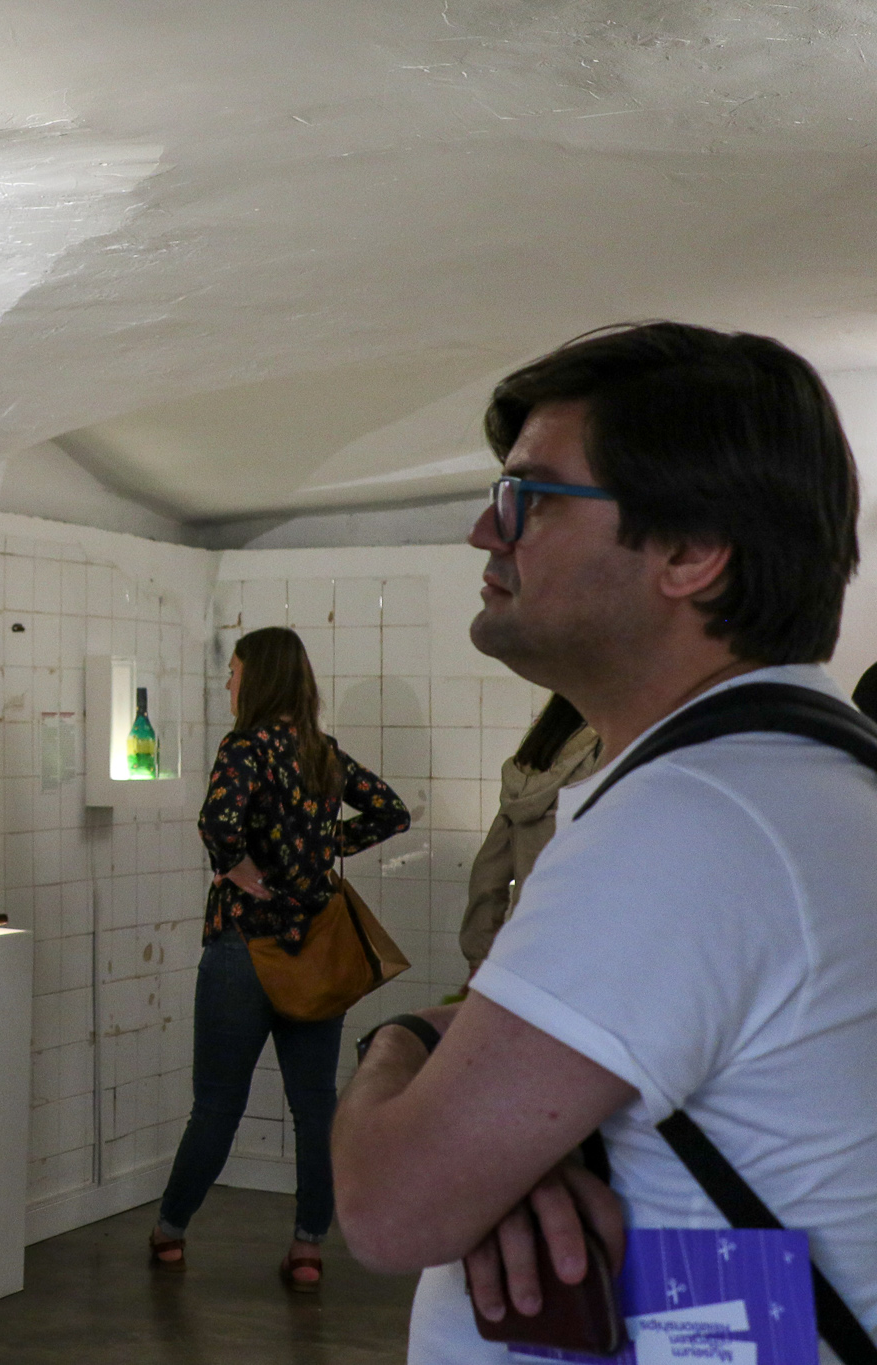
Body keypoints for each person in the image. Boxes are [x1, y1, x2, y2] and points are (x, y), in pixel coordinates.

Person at [328, 322, 877, 1363]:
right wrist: (521, 1140)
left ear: (689, 552)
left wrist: (398, 1040)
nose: (484, 534)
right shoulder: (802, 772)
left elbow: (390, 1208)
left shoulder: (696, 819)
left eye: (527, 498)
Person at [150, 626, 409, 1289]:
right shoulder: (323, 753)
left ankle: (171, 1233)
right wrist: (322, 849)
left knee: (216, 1106)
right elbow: (392, 812)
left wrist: (240, 868)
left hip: (243, 948)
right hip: (315, 951)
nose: (228, 682)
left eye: (234, 671)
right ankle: (307, 1249)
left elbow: (217, 822)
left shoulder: (244, 748)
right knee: (315, 1106)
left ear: (257, 678)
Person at [459, 695, 599, 973]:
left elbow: (489, 871)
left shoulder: (534, 758)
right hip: (590, 951)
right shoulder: (613, 755)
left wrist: (479, 955)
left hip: (527, 948)